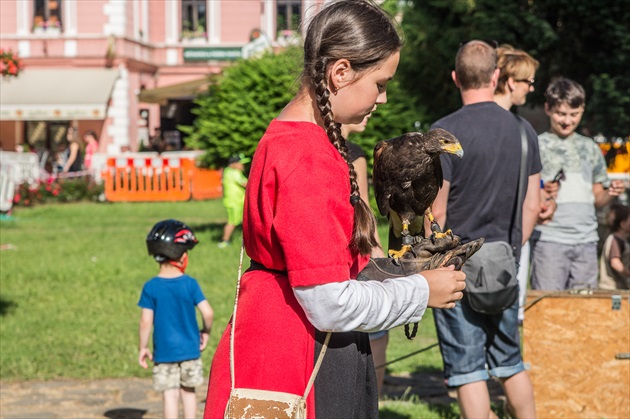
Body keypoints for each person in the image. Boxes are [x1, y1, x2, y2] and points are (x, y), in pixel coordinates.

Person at [203, 2, 466, 417]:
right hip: (300, 356)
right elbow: (328, 303)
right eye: (380, 83)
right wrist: (421, 292)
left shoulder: (287, 136)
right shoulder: (306, 156)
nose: (383, 98)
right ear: (340, 72)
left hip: (278, 339)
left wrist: (399, 270)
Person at [430, 40, 540, 417]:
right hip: (505, 262)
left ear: (455, 77)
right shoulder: (524, 130)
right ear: (496, 76)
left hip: (455, 267)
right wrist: (510, 248)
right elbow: (533, 204)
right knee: (510, 361)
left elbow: (437, 210)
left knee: (467, 368)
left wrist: (431, 264)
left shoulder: (444, 131)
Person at [530, 78, 626, 290]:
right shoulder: (537, 144)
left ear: (582, 110)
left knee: (583, 310)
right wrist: (541, 191)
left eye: (574, 114)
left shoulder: (590, 148)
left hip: (586, 241)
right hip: (549, 240)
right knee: (548, 307)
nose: (567, 121)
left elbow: (598, 200)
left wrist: (611, 192)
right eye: (561, 114)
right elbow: (527, 193)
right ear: (547, 108)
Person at [493, 44, 558, 322]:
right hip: (508, 239)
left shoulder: (468, 123)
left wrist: (543, 196)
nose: (531, 88)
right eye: (528, 82)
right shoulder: (519, 130)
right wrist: (515, 246)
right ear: (510, 82)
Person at [139, 219, 214, 419]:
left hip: (164, 352)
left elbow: (146, 321)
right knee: (188, 392)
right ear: (180, 256)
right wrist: (205, 332)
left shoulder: (151, 287)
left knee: (170, 395)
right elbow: (208, 312)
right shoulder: (190, 284)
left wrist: (143, 347)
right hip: (190, 350)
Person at [341, 119, 389, 399]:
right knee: (375, 332)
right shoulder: (353, 153)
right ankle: (374, 399)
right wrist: (375, 249)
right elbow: (362, 206)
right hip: (352, 251)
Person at [218, 153, 249, 249]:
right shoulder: (234, 173)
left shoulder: (229, 171)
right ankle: (225, 241)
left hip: (236, 202)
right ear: (234, 164)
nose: (242, 165)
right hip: (234, 202)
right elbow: (245, 184)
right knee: (232, 222)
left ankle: (244, 240)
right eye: (241, 163)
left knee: (243, 221)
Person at [599, 203, 630, 289]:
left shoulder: (621, 240)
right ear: (623, 224)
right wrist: (627, 273)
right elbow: (615, 262)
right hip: (611, 288)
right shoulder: (615, 240)